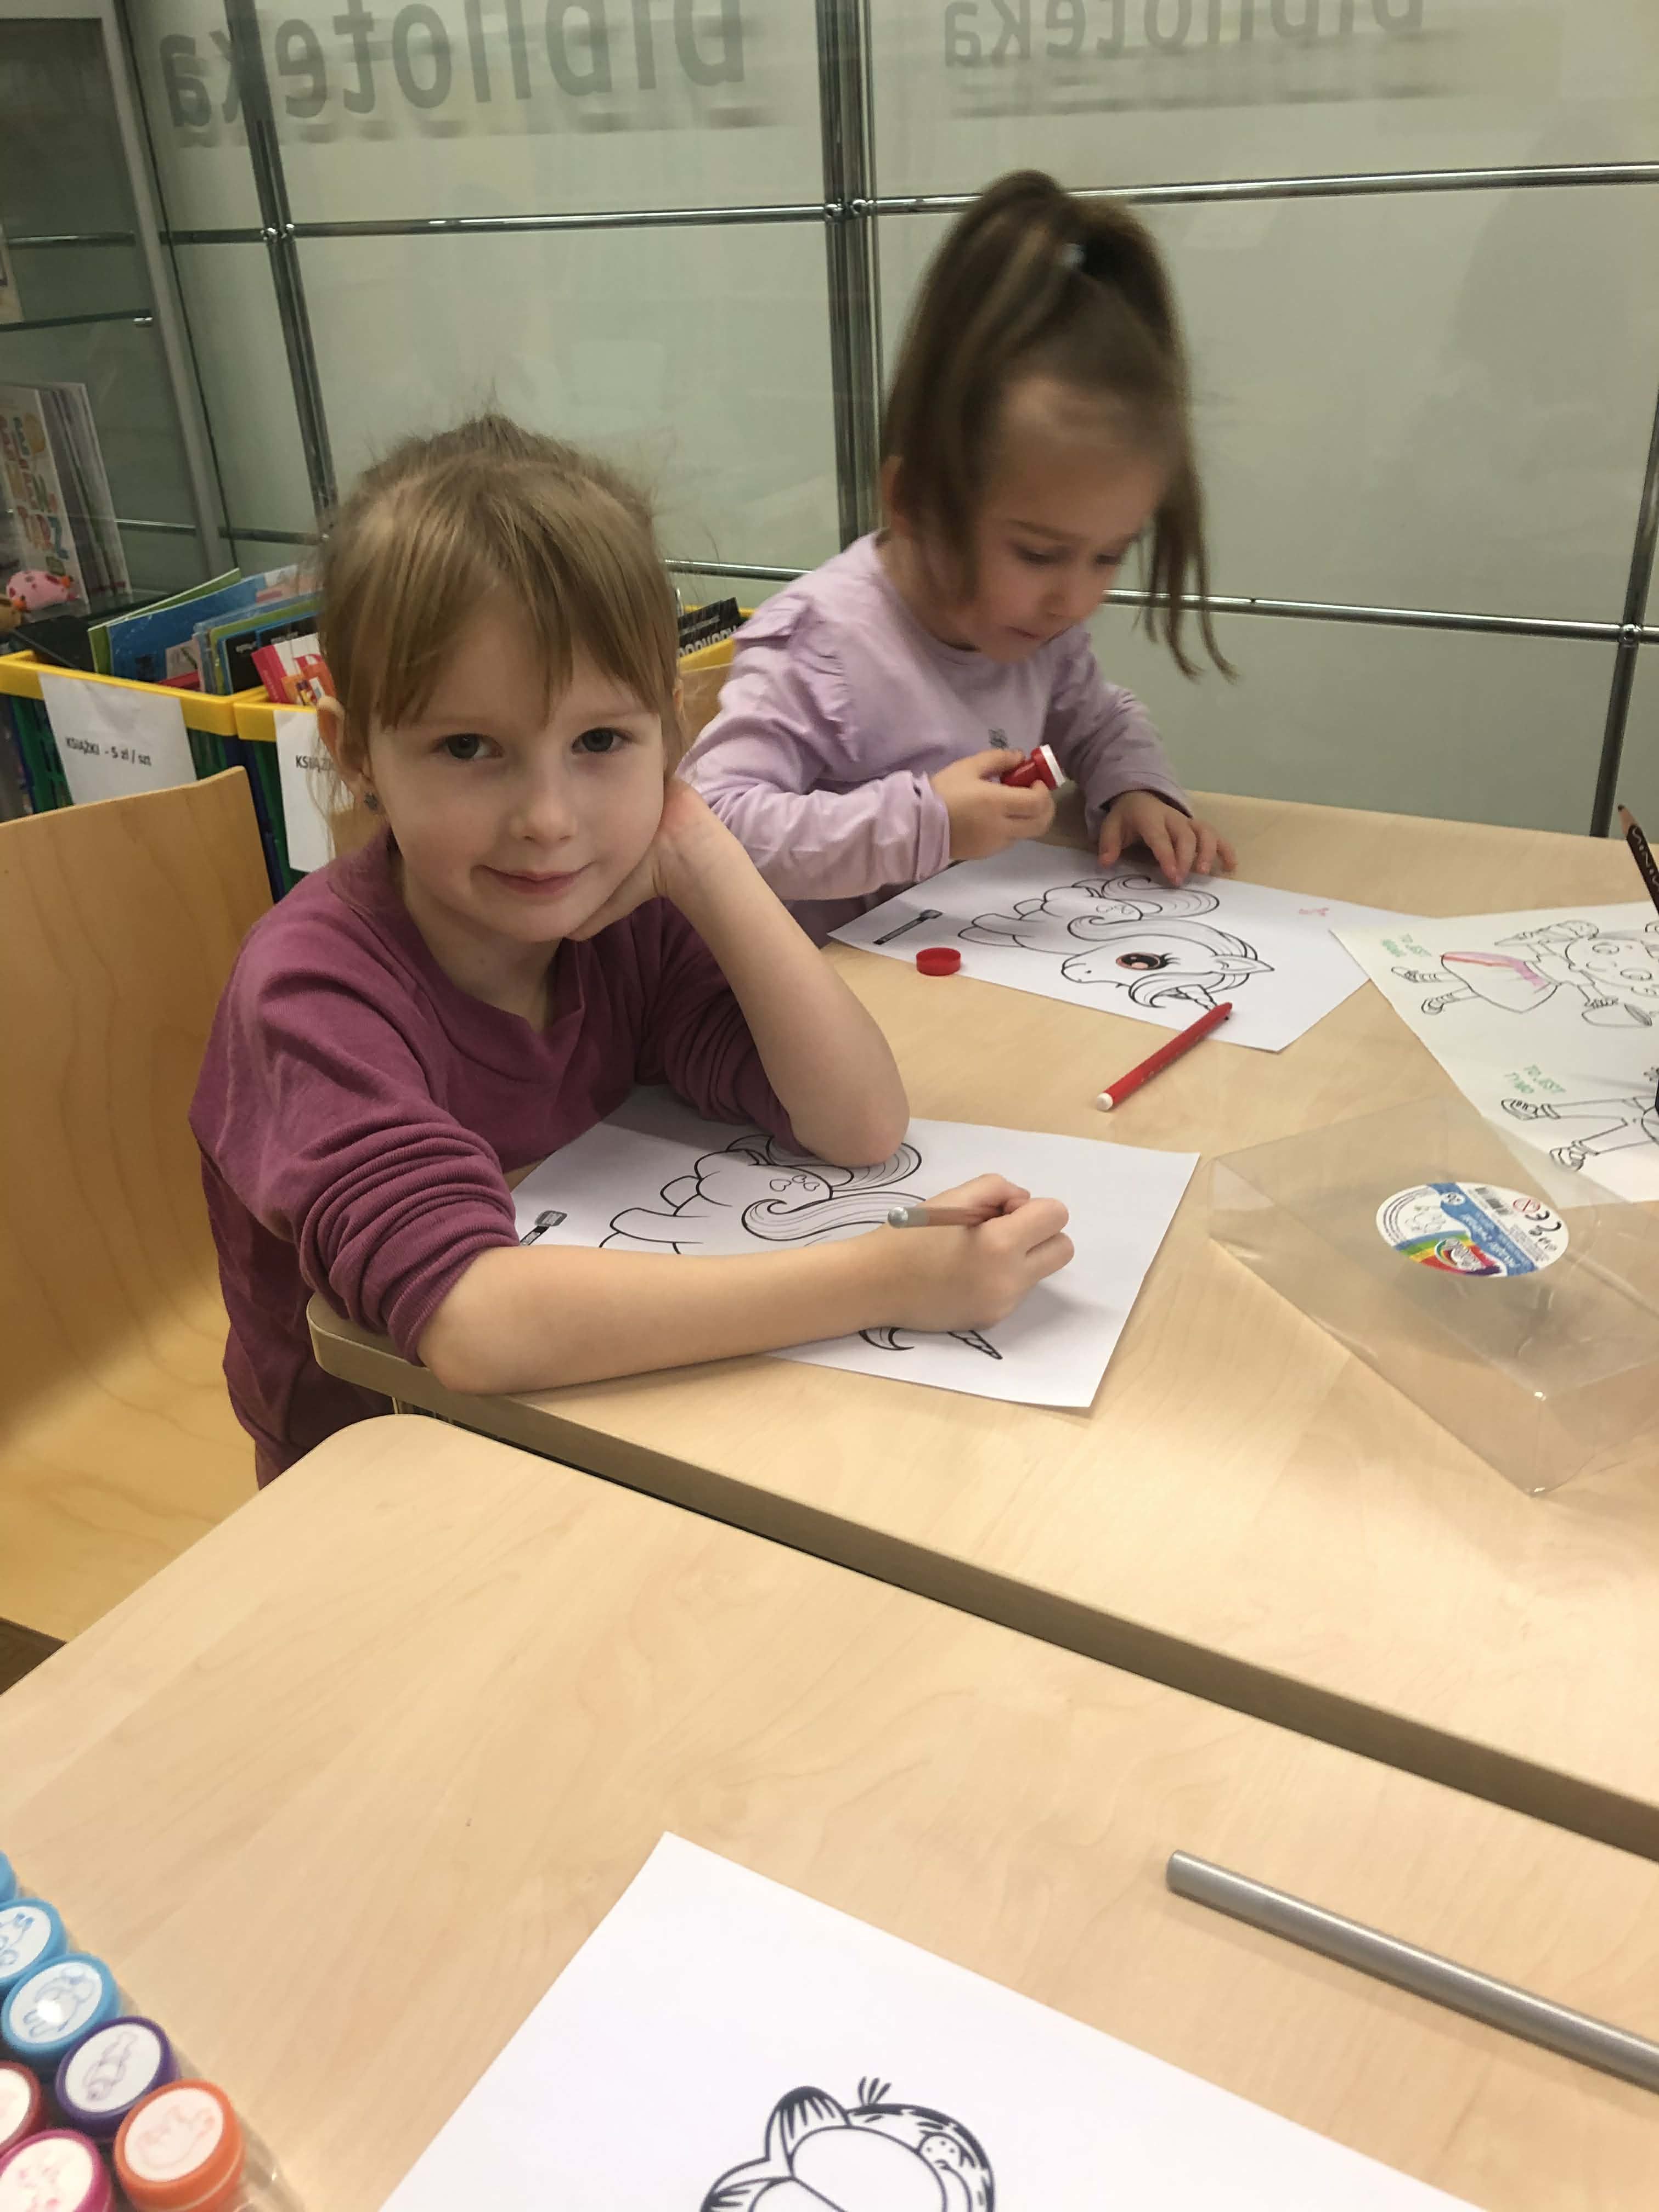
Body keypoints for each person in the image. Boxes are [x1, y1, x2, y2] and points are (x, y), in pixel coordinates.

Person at [191, 416, 1072, 1482]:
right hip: (384, 1474)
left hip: (620, 1431)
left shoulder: (626, 923)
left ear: (668, 735)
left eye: (601, 741)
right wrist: (887, 1281)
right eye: (468, 747)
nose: (549, 820)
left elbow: (857, 1123)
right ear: (357, 752)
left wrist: (702, 849)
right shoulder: (312, 990)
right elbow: (475, 1323)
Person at [682, 168, 1235, 944]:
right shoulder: (823, 643)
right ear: (912, 501)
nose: (1074, 600)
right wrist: (926, 824)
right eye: (1038, 553)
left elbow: (1100, 718)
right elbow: (709, 825)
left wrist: (1137, 789)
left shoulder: (1034, 632)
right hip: (823, 991)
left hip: (969, 978)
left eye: (1109, 556)